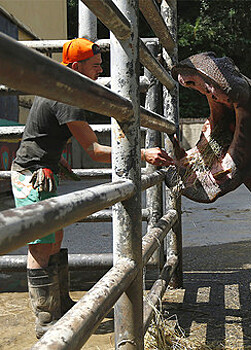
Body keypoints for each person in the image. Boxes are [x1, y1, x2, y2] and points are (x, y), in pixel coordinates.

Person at [10, 38, 174, 338]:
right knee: (40, 244)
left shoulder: (62, 86)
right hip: (32, 174)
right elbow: (96, 151)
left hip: (42, 170)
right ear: (76, 66)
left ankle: (59, 305)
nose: (100, 70)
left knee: (54, 236)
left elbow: (42, 133)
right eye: (95, 66)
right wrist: (142, 154)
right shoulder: (67, 96)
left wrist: (54, 159)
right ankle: (45, 319)